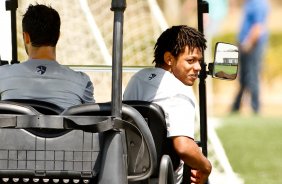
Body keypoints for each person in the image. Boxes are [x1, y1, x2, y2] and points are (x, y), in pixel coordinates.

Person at [123, 25, 212, 184]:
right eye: (190, 60)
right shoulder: (179, 90)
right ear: (169, 59)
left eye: (199, 61)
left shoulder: (137, 78)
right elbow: (183, 147)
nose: (198, 67)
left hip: (128, 174)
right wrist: (206, 166)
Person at [0, 4, 94, 109]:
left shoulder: (2, 75)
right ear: (58, 36)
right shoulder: (82, 82)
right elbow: (92, 120)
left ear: (26, 37)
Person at [231, 0, 269, 114]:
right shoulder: (249, 2)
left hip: (252, 45)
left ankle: (255, 107)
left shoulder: (258, 3)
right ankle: (236, 106)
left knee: (252, 76)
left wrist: (248, 42)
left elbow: (257, 27)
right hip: (245, 44)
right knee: (243, 77)